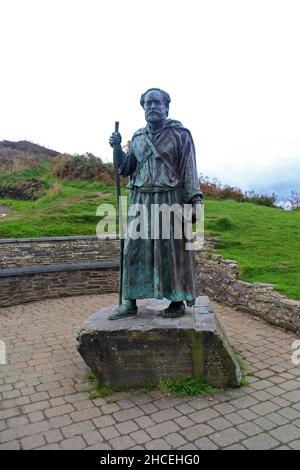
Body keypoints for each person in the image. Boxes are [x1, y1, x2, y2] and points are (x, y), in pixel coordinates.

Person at [109, 88, 202, 320]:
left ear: (166, 107)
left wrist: (195, 200)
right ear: (143, 108)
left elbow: (189, 169)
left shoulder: (180, 134)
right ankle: (129, 302)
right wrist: (117, 149)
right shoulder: (138, 137)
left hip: (169, 199)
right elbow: (125, 169)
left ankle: (176, 301)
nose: (152, 107)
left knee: (170, 252)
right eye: (148, 103)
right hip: (140, 199)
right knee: (133, 250)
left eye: (156, 103)